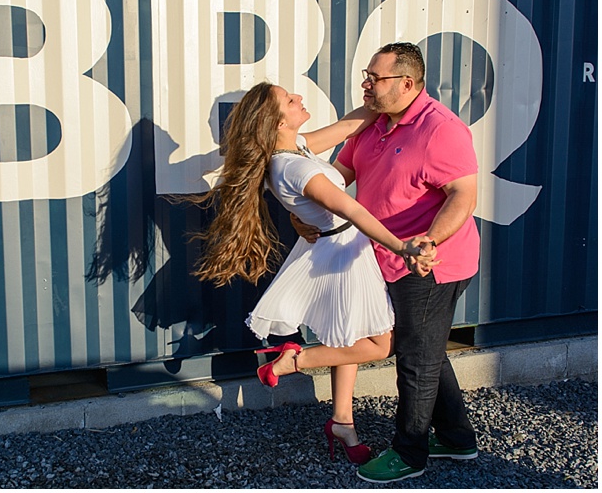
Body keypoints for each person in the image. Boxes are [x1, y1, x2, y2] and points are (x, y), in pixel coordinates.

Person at [186, 81, 434, 465]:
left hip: (339, 246)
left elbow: (352, 125)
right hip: (340, 252)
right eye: (290, 99)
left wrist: (379, 94)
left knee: (347, 334)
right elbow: (353, 211)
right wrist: (402, 247)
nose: (299, 98)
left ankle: (342, 421)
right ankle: (291, 362)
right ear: (275, 120)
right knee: (379, 344)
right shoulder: (294, 166)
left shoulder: (294, 149)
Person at [293, 42, 480, 483]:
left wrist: (428, 241)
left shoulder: (442, 130)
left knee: (415, 357)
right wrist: (301, 207)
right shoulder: (372, 125)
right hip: (385, 259)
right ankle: (456, 438)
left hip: (431, 264)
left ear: (408, 84)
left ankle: (410, 452)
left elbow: (463, 195)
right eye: (367, 75)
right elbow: (340, 177)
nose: (366, 85)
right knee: (427, 346)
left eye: (375, 79)